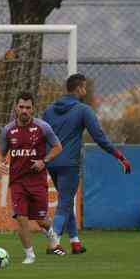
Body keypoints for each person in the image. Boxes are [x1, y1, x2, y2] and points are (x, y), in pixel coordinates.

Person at [43, 74, 132, 254]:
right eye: (84, 88)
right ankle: (55, 243)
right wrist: (119, 156)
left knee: (67, 202)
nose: (86, 91)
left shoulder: (49, 110)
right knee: (65, 203)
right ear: (79, 89)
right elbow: (100, 138)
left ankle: (75, 242)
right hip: (70, 163)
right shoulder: (83, 110)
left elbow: (42, 135)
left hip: (51, 162)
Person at [0, 91, 65, 264]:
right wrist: (1, 163)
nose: (24, 111)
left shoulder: (43, 127)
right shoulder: (7, 130)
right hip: (17, 182)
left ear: (33, 109)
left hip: (37, 182)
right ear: (15, 108)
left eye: (28, 107)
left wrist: (44, 161)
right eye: (21, 107)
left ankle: (52, 237)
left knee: (41, 220)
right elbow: (2, 153)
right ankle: (30, 255)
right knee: (21, 218)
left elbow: (58, 147)